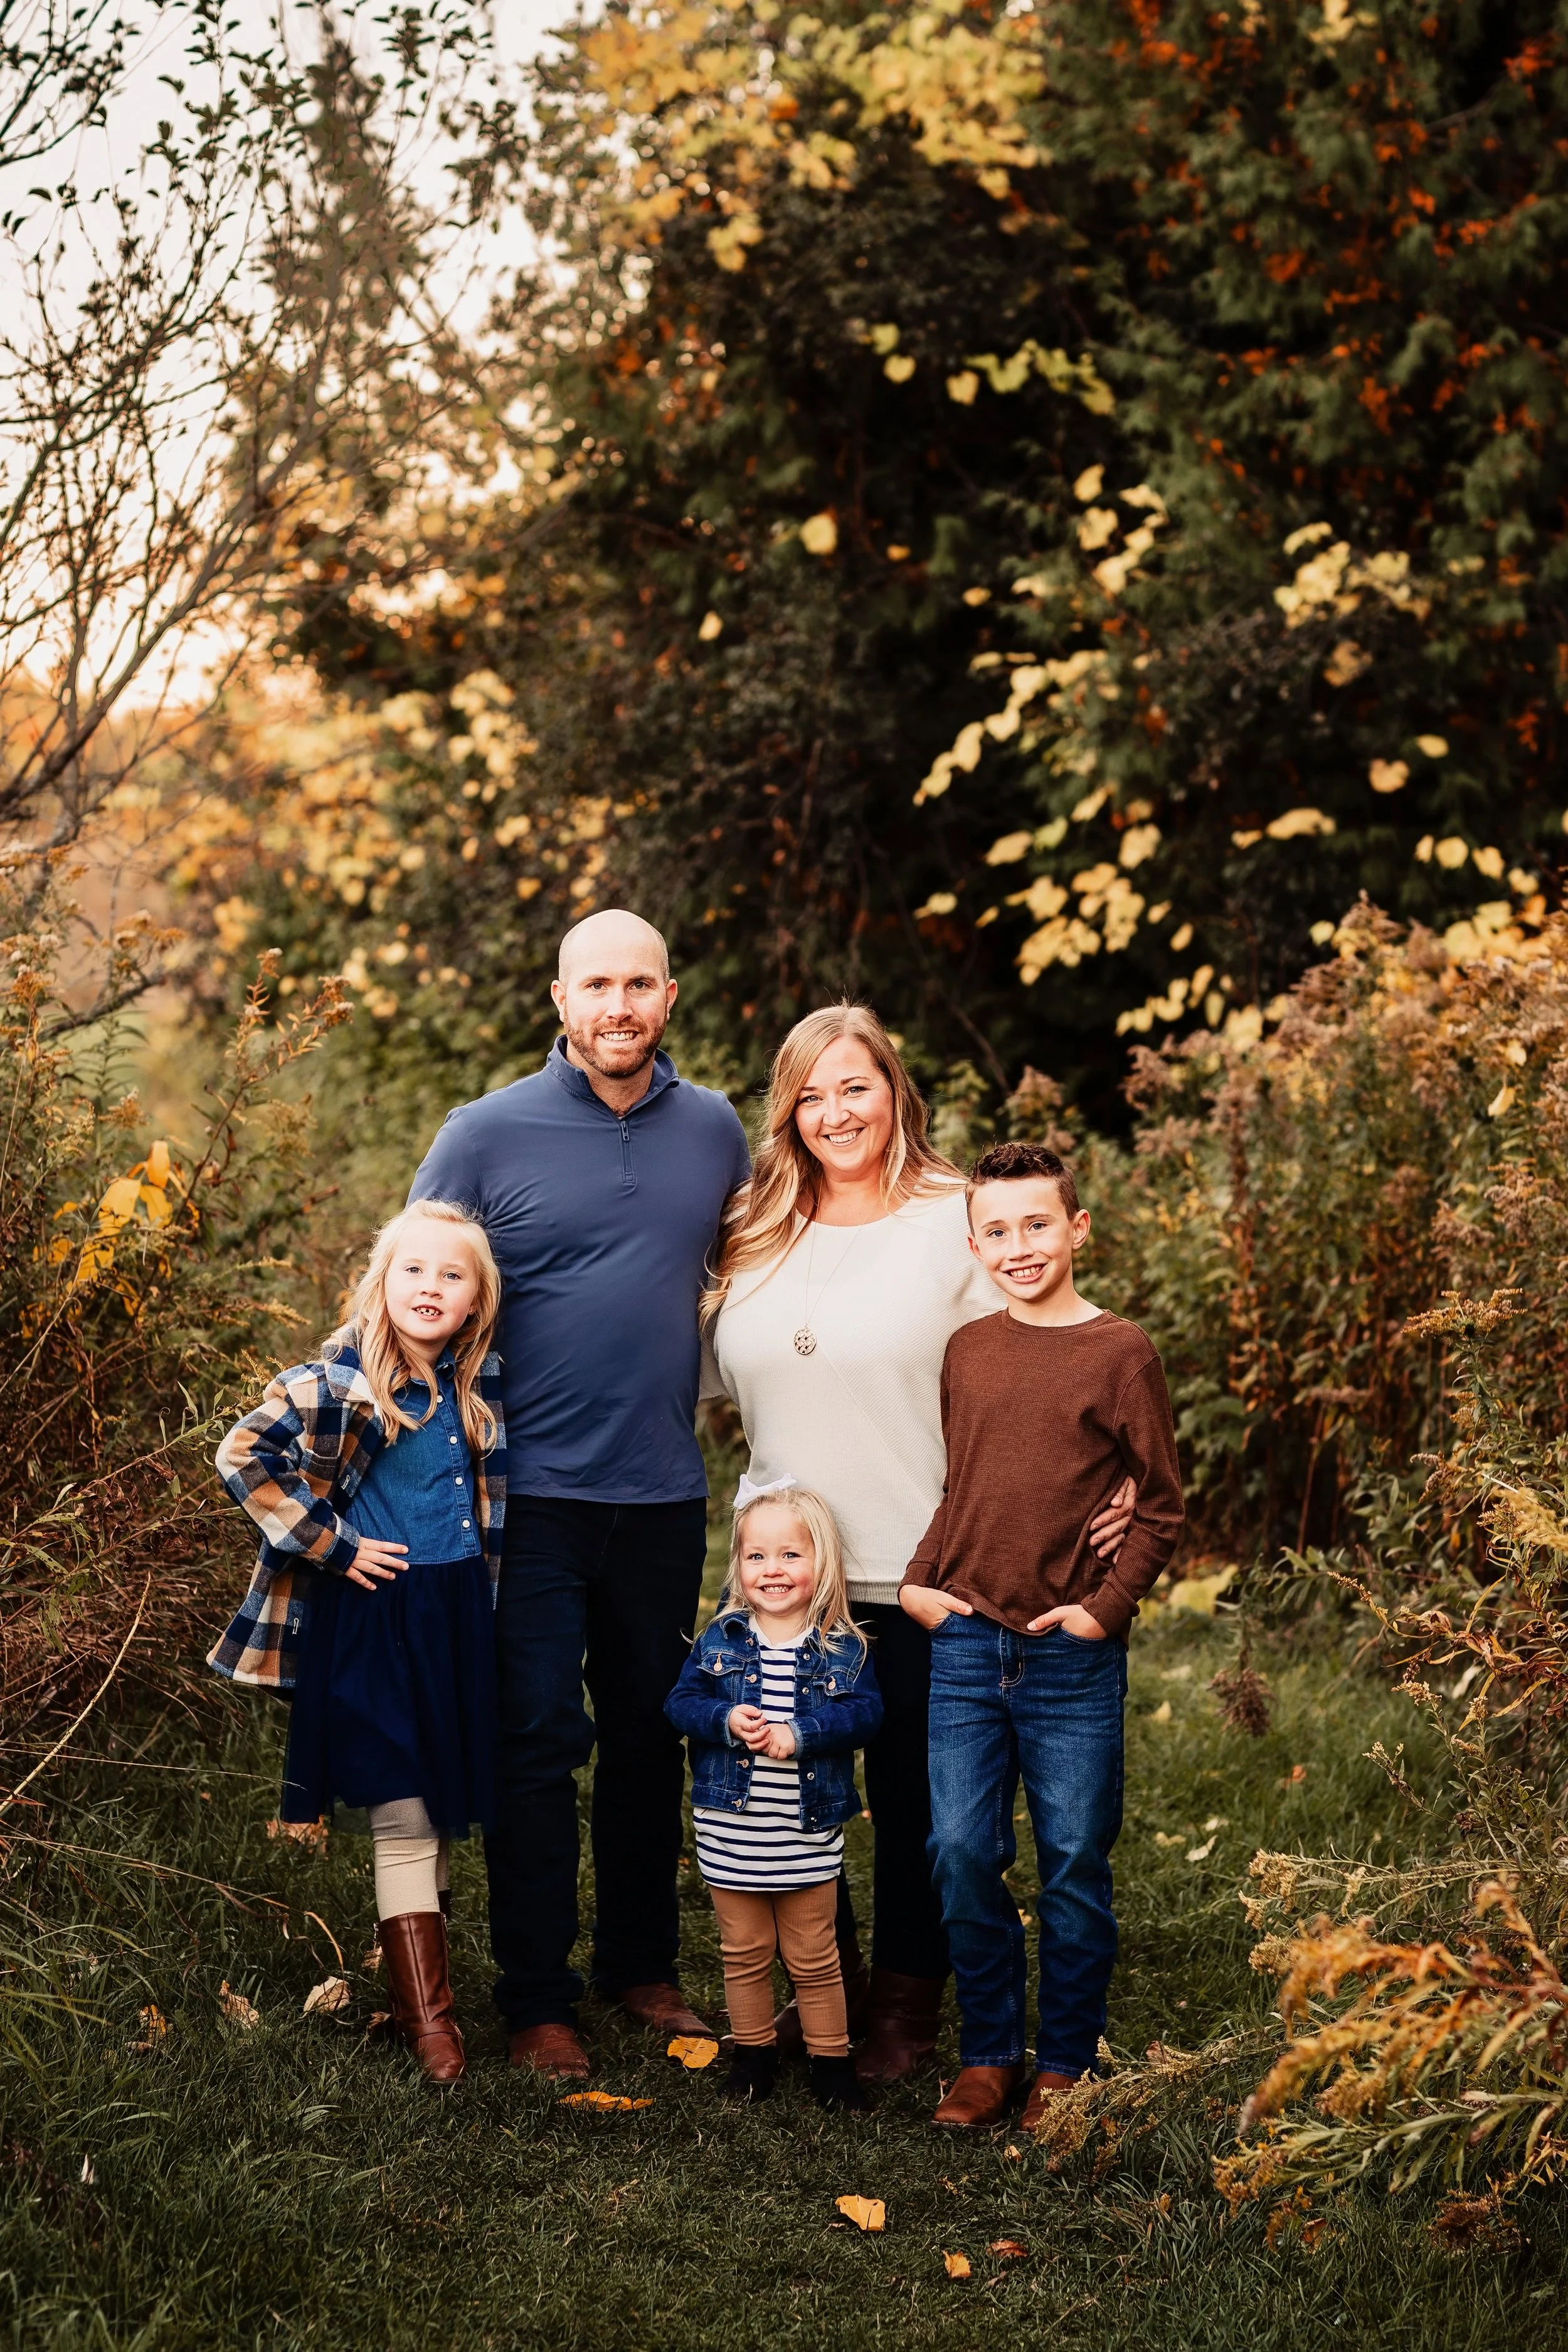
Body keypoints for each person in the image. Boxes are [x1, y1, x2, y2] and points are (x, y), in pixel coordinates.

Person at [705, 1004, 1134, 2082]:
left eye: (855, 1086)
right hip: (791, 1577)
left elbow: (1061, 1336)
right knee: (797, 1792)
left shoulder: (957, 1215)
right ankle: (823, 1985)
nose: (834, 1112)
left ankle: (904, 1999)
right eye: (810, 1094)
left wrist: (1119, 1470)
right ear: (786, 1110)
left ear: (896, 1091)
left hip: (927, 1564)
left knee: (915, 1803)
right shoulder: (751, 1221)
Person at [409, 909, 751, 2079]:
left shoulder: (715, 1131)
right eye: (596, 984)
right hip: (524, 1495)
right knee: (540, 1739)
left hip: (662, 1492)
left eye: (639, 984)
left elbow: (778, 1266)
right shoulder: (483, 1134)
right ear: (560, 1000)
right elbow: (410, 1293)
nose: (619, 1005)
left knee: (655, 1734)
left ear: (669, 996)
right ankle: (539, 1994)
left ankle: (642, 1966)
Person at [901, 1140, 1185, 2131]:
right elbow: (965, 1485)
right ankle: (987, 2053)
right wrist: (919, 1583)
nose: (1018, 1245)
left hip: (1071, 1653)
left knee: (1072, 1856)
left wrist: (1104, 1611)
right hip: (967, 1645)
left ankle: (1062, 2060)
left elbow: (1159, 1507)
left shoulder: (1121, 1352)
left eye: (1037, 1224)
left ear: (1076, 1229)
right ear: (974, 1241)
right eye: (997, 1230)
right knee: (961, 1850)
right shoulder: (969, 1350)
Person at [210, 1200, 506, 2084]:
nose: (431, 1286)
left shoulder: (474, 1387)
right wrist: (331, 1543)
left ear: (475, 1300)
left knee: (443, 1790)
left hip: (455, 1614)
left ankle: (404, 1960)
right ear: (382, 1281)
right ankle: (433, 2026)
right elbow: (240, 1453)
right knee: (405, 1804)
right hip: (376, 1615)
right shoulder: (340, 1382)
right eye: (414, 1269)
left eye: (452, 1275)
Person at [665, 1476, 882, 2111]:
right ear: (738, 1564)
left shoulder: (843, 1649)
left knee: (814, 1955)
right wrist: (724, 1722)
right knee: (744, 1953)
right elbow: (680, 1703)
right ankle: (753, 2054)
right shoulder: (720, 1641)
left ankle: (831, 2062)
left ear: (821, 1562)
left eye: (791, 1555)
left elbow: (866, 1716)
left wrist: (804, 1732)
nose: (773, 1570)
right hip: (732, 1829)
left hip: (804, 1831)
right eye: (757, 1556)